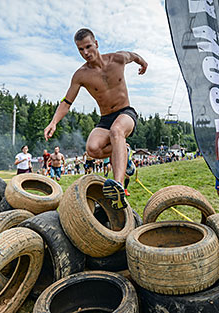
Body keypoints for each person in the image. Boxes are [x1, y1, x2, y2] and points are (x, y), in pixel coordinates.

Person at [44, 28, 146, 210]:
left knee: (117, 131)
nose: (85, 53)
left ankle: (119, 187)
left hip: (126, 113)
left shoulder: (118, 58)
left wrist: (143, 64)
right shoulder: (81, 75)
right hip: (106, 118)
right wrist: (53, 122)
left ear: (96, 44)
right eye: (80, 50)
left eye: (88, 47)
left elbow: (135, 55)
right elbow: (67, 102)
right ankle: (125, 152)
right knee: (92, 149)